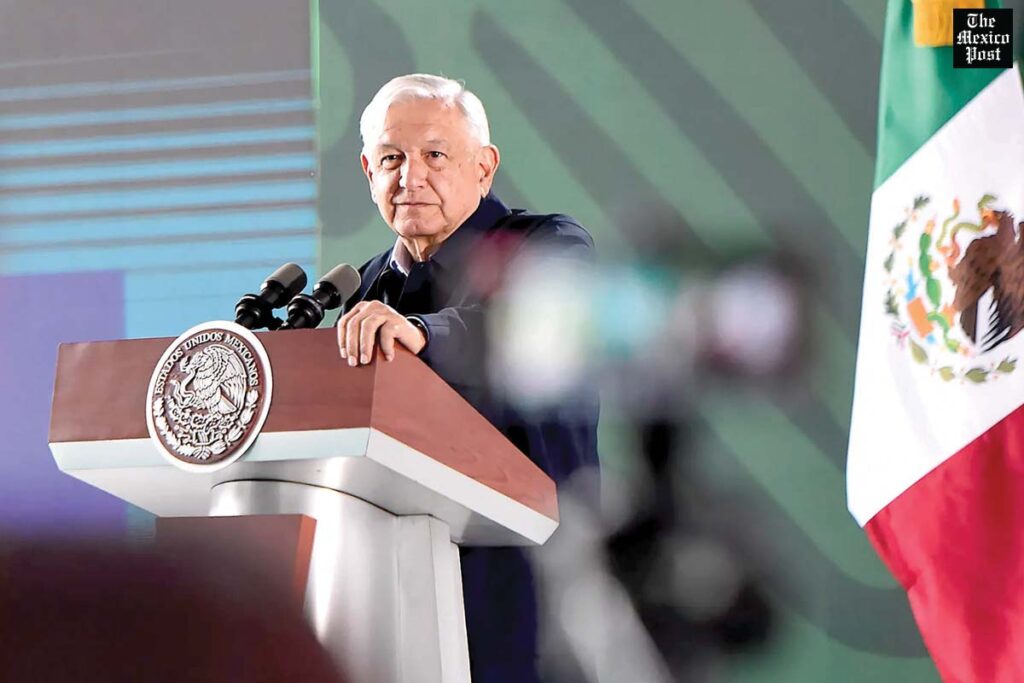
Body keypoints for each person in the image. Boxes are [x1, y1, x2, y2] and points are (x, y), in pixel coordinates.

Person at [336, 73, 599, 682]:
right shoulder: (367, 288)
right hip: (396, 587)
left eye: (435, 155)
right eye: (391, 159)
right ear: (368, 171)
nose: (410, 177)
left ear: (484, 168)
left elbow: (525, 327)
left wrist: (423, 332)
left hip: (530, 584)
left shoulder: (549, 243)